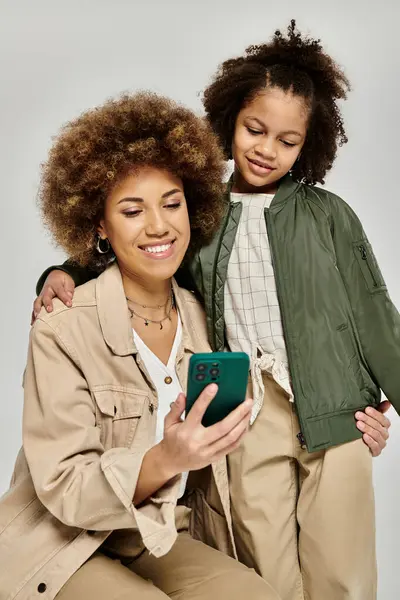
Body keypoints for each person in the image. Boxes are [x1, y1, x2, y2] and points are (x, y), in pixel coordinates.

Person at [32, 21, 396, 600]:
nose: (266, 149)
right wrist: (67, 271)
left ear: (310, 144)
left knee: (343, 573)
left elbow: (375, 313)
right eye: (255, 129)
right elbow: (144, 254)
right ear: (229, 119)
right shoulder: (201, 214)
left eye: (287, 140)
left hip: (336, 409)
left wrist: (384, 399)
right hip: (247, 413)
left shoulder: (329, 216)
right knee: (263, 566)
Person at [0, 92, 280, 600]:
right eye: (133, 211)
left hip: (153, 531)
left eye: (172, 204)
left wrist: (358, 411)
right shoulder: (61, 328)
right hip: (59, 537)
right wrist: (165, 459)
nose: (159, 226)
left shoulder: (201, 317)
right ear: (101, 226)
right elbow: (65, 485)